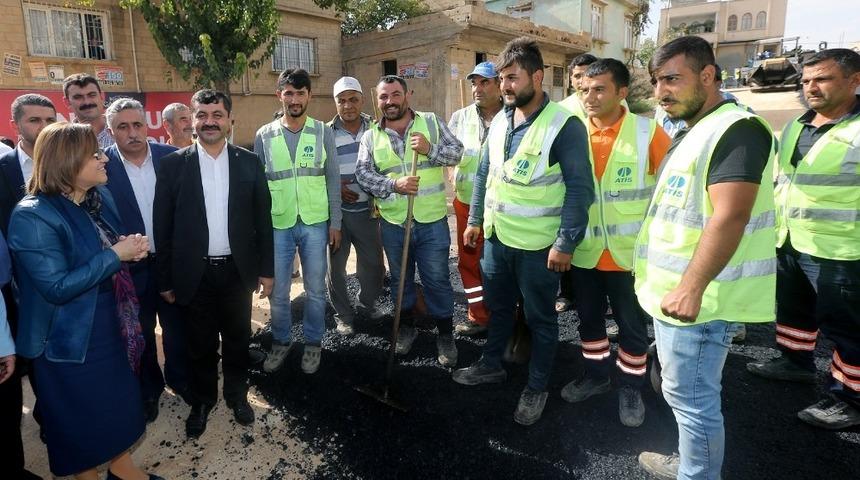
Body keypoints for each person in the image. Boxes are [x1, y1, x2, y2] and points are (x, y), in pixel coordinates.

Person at [635, 36, 776, 480]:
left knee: (693, 399)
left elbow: (730, 215)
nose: (661, 92)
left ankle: (696, 474)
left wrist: (691, 286)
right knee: (681, 394)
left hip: (699, 300)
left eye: (673, 79)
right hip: (674, 294)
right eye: (657, 81)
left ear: (709, 76)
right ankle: (690, 462)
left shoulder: (736, 129)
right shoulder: (697, 129)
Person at [452, 37, 593, 426]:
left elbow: (581, 190)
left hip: (538, 247)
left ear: (538, 75)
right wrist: (476, 219)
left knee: (541, 320)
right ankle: (491, 364)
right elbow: (484, 173)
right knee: (499, 310)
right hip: (497, 241)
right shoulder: (500, 120)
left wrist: (565, 243)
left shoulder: (563, 126)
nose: (505, 87)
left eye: (512, 78)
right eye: (501, 79)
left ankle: (536, 386)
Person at [8, 122, 158, 479]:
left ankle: (121, 470)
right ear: (68, 160)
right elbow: (57, 286)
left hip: (109, 327)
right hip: (68, 343)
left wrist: (125, 248)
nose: (105, 157)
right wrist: (115, 256)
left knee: (116, 408)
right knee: (81, 421)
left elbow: (94, 253)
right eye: (95, 153)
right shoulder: (32, 214)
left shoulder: (92, 200)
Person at [746, 48, 860, 429]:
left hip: (842, 248)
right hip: (791, 238)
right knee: (794, 308)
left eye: (823, 79)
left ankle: (850, 399)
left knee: (845, 324)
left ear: (854, 81)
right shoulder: (798, 124)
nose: (812, 87)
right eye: (806, 80)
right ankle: (794, 362)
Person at [153, 89, 274, 439]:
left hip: (237, 272)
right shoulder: (174, 165)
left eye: (216, 114)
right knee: (200, 344)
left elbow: (262, 221)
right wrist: (165, 280)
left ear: (229, 120)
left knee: (237, 339)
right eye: (202, 115)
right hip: (194, 275)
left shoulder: (249, 162)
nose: (209, 121)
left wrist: (267, 270)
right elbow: (163, 227)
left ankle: (237, 395)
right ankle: (203, 401)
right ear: (192, 120)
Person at [560, 58, 670, 428]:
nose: (589, 96)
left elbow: (671, 195)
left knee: (632, 327)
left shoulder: (648, 133)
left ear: (622, 92)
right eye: (584, 89)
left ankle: (630, 387)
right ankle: (595, 376)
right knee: (589, 322)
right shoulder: (571, 132)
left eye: (600, 89)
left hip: (630, 257)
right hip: (586, 254)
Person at [355, 75, 464, 366]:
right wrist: (394, 185)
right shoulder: (371, 136)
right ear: (377, 101)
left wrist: (431, 149)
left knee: (437, 280)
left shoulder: (430, 122)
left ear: (407, 95)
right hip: (394, 223)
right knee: (401, 281)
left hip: (431, 221)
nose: (389, 101)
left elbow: (458, 152)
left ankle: (444, 335)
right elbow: (363, 174)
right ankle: (405, 328)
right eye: (383, 97)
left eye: (395, 95)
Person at [104, 98, 189, 422]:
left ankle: (180, 380)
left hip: (170, 263)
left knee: (176, 328)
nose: (132, 133)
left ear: (147, 126)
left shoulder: (171, 158)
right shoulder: (102, 166)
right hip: (129, 269)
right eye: (123, 127)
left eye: (137, 125)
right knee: (139, 332)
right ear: (111, 132)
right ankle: (149, 390)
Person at [255, 69, 341, 375]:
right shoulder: (264, 135)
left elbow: (332, 179)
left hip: (316, 222)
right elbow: (259, 187)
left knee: (316, 289)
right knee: (278, 290)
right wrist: (260, 231)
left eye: (300, 93)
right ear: (279, 95)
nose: (294, 99)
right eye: (288, 93)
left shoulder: (322, 132)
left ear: (309, 96)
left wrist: (336, 222)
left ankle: (313, 343)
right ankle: (281, 341)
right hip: (279, 223)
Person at [0, 93, 56, 480]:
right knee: (24, 363)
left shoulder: (62, 164)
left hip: (59, 288)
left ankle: (56, 421)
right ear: (15, 124)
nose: (42, 127)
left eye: (49, 119)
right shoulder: (1, 169)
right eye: (34, 120)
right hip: (12, 292)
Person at [326, 76, 386, 335]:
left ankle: (366, 304)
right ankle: (344, 315)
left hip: (367, 211)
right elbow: (316, 169)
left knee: (373, 265)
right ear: (335, 103)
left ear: (362, 99)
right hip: (337, 215)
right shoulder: (325, 133)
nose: (348, 105)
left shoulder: (376, 129)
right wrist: (336, 187)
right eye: (342, 100)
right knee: (336, 269)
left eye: (353, 99)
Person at [448, 62, 503, 336]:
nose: (477, 89)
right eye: (474, 83)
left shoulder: (512, 116)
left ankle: (509, 318)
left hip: (501, 208)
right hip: (466, 202)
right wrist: (451, 172)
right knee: (469, 262)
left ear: (499, 84)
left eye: (485, 82)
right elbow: (449, 151)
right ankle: (478, 316)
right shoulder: (460, 117)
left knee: (500, 265)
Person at [63, 73, 114, 148]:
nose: (87, 102)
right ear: (67, 102)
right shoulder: (63, 140)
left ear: (102, 97)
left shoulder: (121, 131)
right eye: (78, 97)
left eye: (92, 95)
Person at [559, 53, 598, 121]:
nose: (582, 81)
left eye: (587, 75)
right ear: (571, 80)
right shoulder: (562, 108)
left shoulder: (616, 103)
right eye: (577, 76)